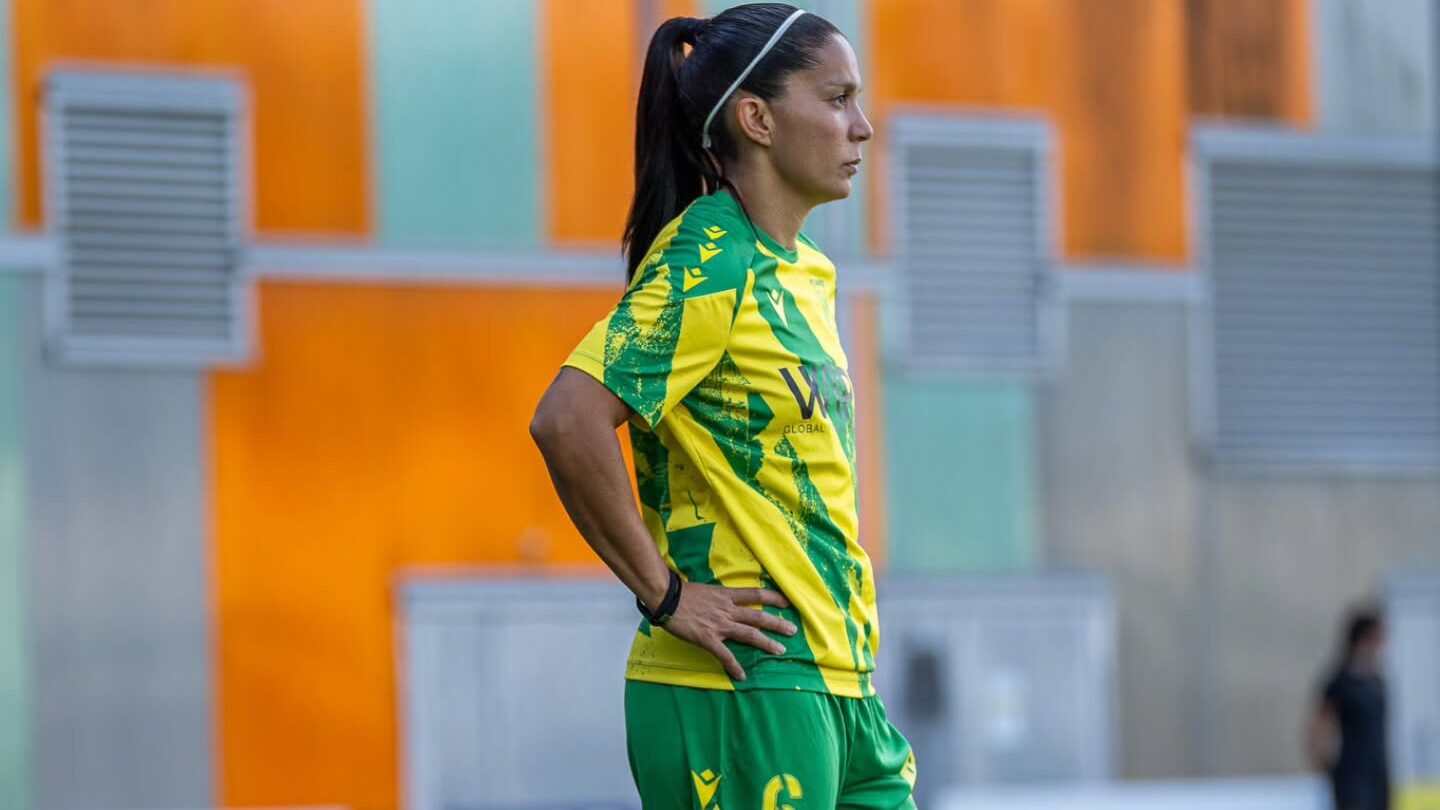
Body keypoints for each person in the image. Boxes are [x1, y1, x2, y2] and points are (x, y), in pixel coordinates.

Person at [530, 4, 916, 807]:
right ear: (757, 119)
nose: (864, 126)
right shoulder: (710, 260)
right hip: (743, 684)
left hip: (841, 683)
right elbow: (567, 420)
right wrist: (666, 596)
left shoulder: (808, 270)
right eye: (838, 98)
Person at [1306, 604, 1392, 810]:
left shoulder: (1377, 681)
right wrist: (1322, 763)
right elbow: (1319, 726)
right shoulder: (1341, 682)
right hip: (1352, 774)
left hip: (1378, 771)